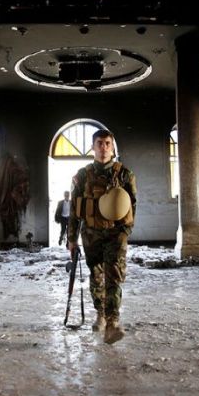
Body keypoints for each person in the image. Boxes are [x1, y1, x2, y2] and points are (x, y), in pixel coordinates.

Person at [67, 129, 137, 344]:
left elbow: (132, 205)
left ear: (113, 147)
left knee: (114, 275)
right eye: (99, 143)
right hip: (91, 234)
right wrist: (72, 239)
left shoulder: (125, 174)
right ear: (92, 147)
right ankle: (100, 314)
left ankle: (113, 322)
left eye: (108, 143)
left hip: (116, 233)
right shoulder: (82, 175)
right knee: (96, 276)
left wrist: (125, 232)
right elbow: (74, 209)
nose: (104, 147)